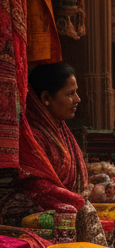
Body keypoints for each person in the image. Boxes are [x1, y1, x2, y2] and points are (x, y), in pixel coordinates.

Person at [0, 62, 87, 223]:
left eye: (76, 93)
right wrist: (78, 201)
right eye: (70, 94)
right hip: (36, 216)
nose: (77, 99)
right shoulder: (32, 139)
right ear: (46, 98)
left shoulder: (61, 133)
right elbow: (36, 187)